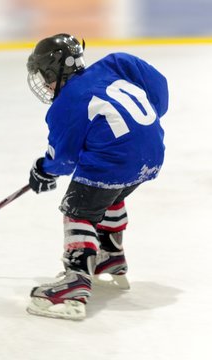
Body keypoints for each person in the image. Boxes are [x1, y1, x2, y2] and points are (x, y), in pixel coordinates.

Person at [25, 33, 169, 320]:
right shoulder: (116, 64)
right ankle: (110, 257)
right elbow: (159, 89)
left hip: (115, 161)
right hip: (151, 155)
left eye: (45, 76)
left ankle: (75, 281)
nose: (44, 83)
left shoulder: (66, 103)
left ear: (55, 70)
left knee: (78, 209)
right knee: (109, 195)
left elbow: (64, 160)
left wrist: (44, 169)